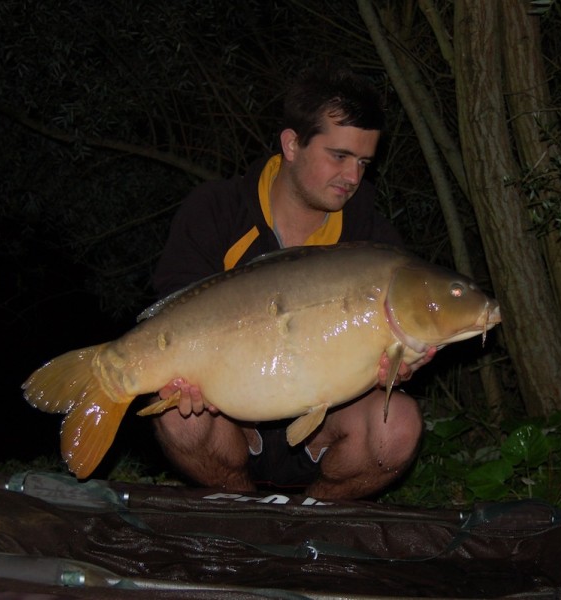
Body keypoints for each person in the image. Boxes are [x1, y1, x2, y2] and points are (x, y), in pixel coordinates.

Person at [149, 64, 433, 500]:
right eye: (339, 156)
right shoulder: (217, 210)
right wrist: (182, 380)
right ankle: (246, 517)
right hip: (233, 423)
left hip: (329, 426)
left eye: (363, 162)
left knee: (396, 427)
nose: (353, 178)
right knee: (177, 419)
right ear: (292, 144)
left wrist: (400, 365)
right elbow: (174, 314)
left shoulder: (370, 240)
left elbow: (392, 352)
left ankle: (311, 522)